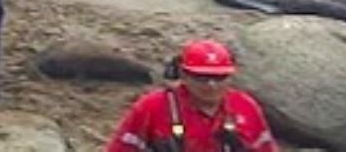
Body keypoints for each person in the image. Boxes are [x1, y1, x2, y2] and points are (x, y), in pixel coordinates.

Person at [106, 40, 277, 152]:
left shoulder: (245, 107)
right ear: (184, 75)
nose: (212, 85)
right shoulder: (153, 107)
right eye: (202, 78)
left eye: (219, 77)